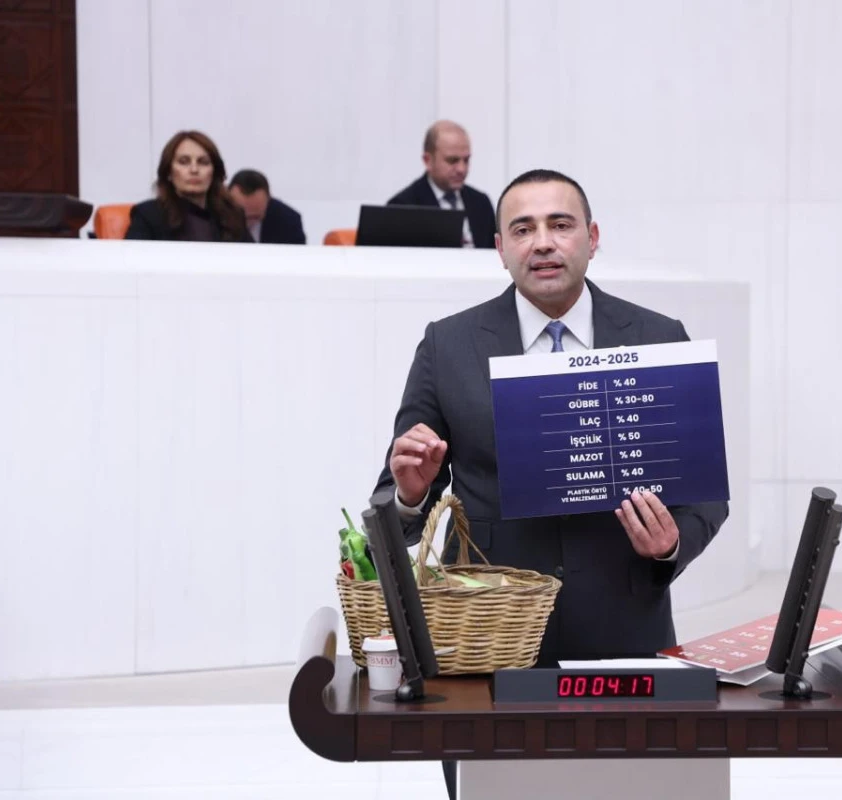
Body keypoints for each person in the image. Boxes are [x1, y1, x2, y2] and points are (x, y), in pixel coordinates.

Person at [372, 168, 729, 800]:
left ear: (592, 237)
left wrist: (670, 545)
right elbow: (391, 502)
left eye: (560, 225)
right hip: (492, 640)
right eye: (523, 229)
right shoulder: (448, 345)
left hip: (625, 632)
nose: (542, 242)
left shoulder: (659, 337)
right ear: (499, 247)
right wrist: (412, 491)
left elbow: (705, 494)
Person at [124, 131, 252, 242]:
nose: (194, 169)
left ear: (214, 172)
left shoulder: (232, 216)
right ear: (169, 172)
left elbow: (254, 259)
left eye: (203, 162)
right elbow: (132, 260)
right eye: (184, 162)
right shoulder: (148, 215)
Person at [386, 120, 497, 249]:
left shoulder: (481, 203)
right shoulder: (402, 207)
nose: (461, 169)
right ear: (428, 160)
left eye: (466, 160)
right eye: (452, 160)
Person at [227, 169, 306, 244]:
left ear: (268, 200)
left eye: (254, 217)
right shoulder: (219, 218)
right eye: (240, 214)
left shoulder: (289, 222)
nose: (246, 222)